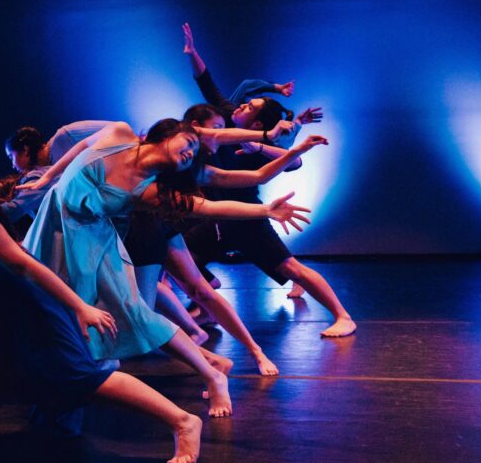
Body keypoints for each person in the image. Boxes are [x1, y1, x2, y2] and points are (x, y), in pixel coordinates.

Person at [0, 23, 204, 463]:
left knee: (80, 377)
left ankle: (182, 421)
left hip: (19, 301)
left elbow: (26, 266)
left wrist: (81, 308)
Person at [19, 118, 311, 416]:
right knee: (42, 305)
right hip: (52, 225)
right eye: (190, 144)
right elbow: (82, 145)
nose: (190, 153)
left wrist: (265, 210)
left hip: (90, 247)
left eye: (194, 154)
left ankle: (211, 374)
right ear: (168, 132)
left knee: (134, 313)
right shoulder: (119, 133)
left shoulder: (150, 191)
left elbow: (209, 207)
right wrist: (47, 178)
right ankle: (62, 394)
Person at [181, 22, 356, 337]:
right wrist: (193, 53)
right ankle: (205, 308)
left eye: (250, 107)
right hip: (215, 218)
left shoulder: (258, 143)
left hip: (248, 219)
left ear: (258, 122)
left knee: (291, 268)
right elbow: (207, 83)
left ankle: (343, 316)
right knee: (174, 256)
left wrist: (259, 146)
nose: (242, 105)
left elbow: (295, 161)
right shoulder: (228, 120)